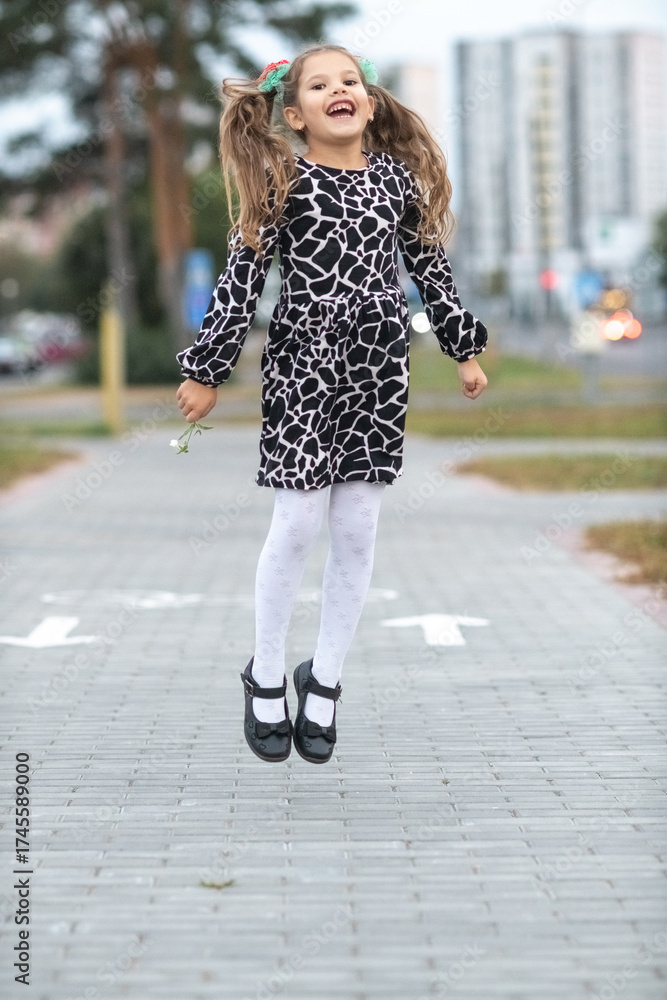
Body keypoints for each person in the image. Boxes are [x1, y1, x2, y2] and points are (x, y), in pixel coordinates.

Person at [175, 44, 489, 765]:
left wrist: (462, 349)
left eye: (350, 81)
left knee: (356, 530)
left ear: (369, 105)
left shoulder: (396, 181)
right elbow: (241, 278)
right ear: (295, 114)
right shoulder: (281, 181)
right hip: (303, 371)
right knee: (296, 524)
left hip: (379, 373)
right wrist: (208, 369)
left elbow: (431, 271)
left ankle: (325, 679)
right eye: (319, 85)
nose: (338, 91)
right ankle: (264, 673)